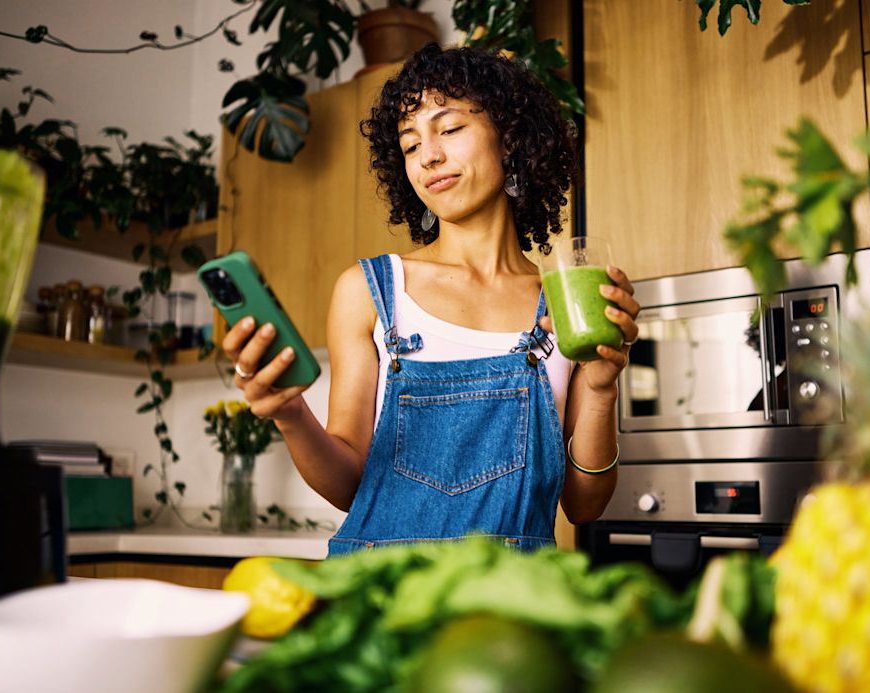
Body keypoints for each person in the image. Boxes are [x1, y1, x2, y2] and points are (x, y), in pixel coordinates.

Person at [221, 43, 640, 556]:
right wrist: (290, 414)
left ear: (509, 136)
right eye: (410, 143)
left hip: (511, 609)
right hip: (379, 595)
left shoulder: (562, 305)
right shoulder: (371, 290)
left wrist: (599, 388)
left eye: (449, 128)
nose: (430, 156)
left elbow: (585, 505)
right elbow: (347, 484)